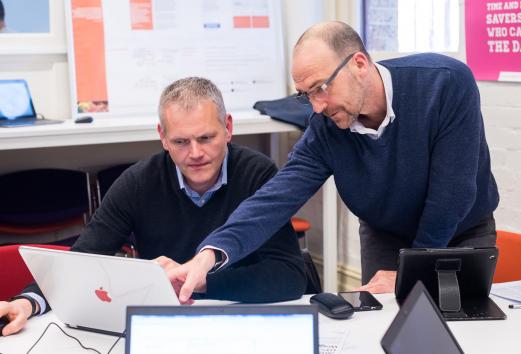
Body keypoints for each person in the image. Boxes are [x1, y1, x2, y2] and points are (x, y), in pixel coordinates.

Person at [169, 21, 500, 302]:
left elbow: (451, 194)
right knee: (384, 329)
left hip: (459, 231)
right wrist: (210, 254)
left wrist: (408, 273)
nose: (316, 106)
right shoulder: (325, 130)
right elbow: (275, 199)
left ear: (359, 64)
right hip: (386, 236)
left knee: (462, 328)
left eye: (320, 88)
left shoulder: (444, 83)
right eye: (306, 94)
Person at [0, 77, 306, 336]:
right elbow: (84, 257)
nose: (195, 153)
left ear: (227, 127)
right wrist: (28, 302)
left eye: (206, 137)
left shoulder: (258, 174)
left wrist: (201, 283)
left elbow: (290, 276)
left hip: (245, 322)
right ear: (162, 137)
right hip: (164, 327)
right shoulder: (137, 182)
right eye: (181, 142)